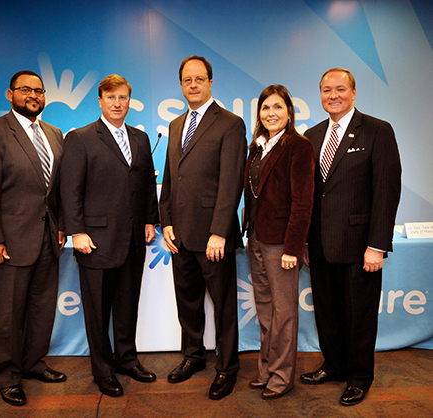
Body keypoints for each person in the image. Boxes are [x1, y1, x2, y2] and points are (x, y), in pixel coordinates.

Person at [300, 68, 401, 406]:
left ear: (354, 92)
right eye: (327, 90)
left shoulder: (377, 130)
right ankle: (334, 364)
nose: (333, 95)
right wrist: (304, 241)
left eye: (340, 89)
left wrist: (377, 245)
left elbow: (387, 191)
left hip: (361, 247)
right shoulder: (311, 136)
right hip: (320, 244)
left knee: (359, 316)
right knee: (327, 312)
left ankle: (359, 377)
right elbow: (309, 195)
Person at [0, 70, 67, 406]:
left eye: (39, 91)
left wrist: (62, 225)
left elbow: (56, 191)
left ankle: (33, 362)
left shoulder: (54, 134)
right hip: (7, 243)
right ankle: (8, 376)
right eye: (25, 90)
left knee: (40, 308)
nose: (33, 96)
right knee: (8, 314)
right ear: (9, 94)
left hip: (46, 239)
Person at [60, 74, 159, 397]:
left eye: (123, 98)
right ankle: (102, 370)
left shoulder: (140, 138)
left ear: (130, 101)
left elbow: (145, 185)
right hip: (96, 241)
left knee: (127, 305)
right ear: (100, 101)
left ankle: (126, 359)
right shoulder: (81, 137)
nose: (118, 104)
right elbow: (70, 189)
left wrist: (149, 221)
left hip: (133, 239)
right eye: (111, 98)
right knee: (98, 311)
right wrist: (76, 231)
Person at [159, 55, 247, 400]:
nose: (193, 85)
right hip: (179, 235)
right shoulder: (177, 124)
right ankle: (193, 356)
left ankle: (227, 368)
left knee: (223, 306)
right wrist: (165, 221)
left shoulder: (229, 123)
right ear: (181, 86)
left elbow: (230, 184)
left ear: (211, 82)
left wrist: (220, 231)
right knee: (189, 303)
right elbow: (170, 178)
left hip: (213, 237)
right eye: (186, 80)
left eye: (199, 79)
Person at [243, 85, 315, 400]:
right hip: (256, 238)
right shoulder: (257, 147)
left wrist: (293, 249)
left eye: (277, 107)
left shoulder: (299, 146)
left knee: (284, 312)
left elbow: (303, 203)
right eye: (265, 108)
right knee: (265, 310)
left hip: (281, 244)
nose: (271, 113)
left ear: (288, 112)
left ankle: (282, 377)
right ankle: (266, 370)